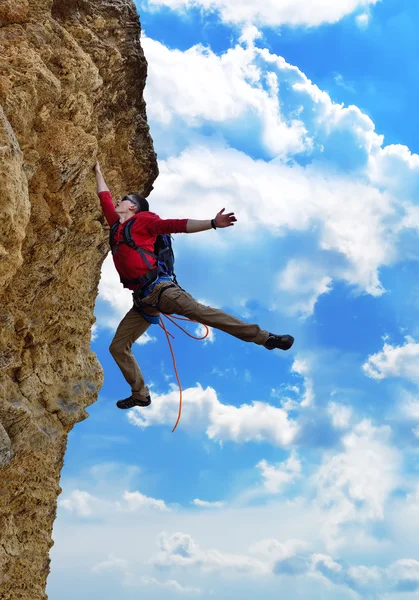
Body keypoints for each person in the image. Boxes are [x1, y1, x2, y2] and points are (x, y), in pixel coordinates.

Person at [94, 161, 294, 409]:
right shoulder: (116, 226)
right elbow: (104, 197)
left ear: (133, 206)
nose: (117, 202)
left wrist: (212, 222)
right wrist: (98, 171)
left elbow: (176, 225)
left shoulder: (144, 220)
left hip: (161, 290)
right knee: (117, 347)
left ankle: (265, 337)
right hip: (143, 301)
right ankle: (141, 394)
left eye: (122, 199)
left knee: (200, 312)